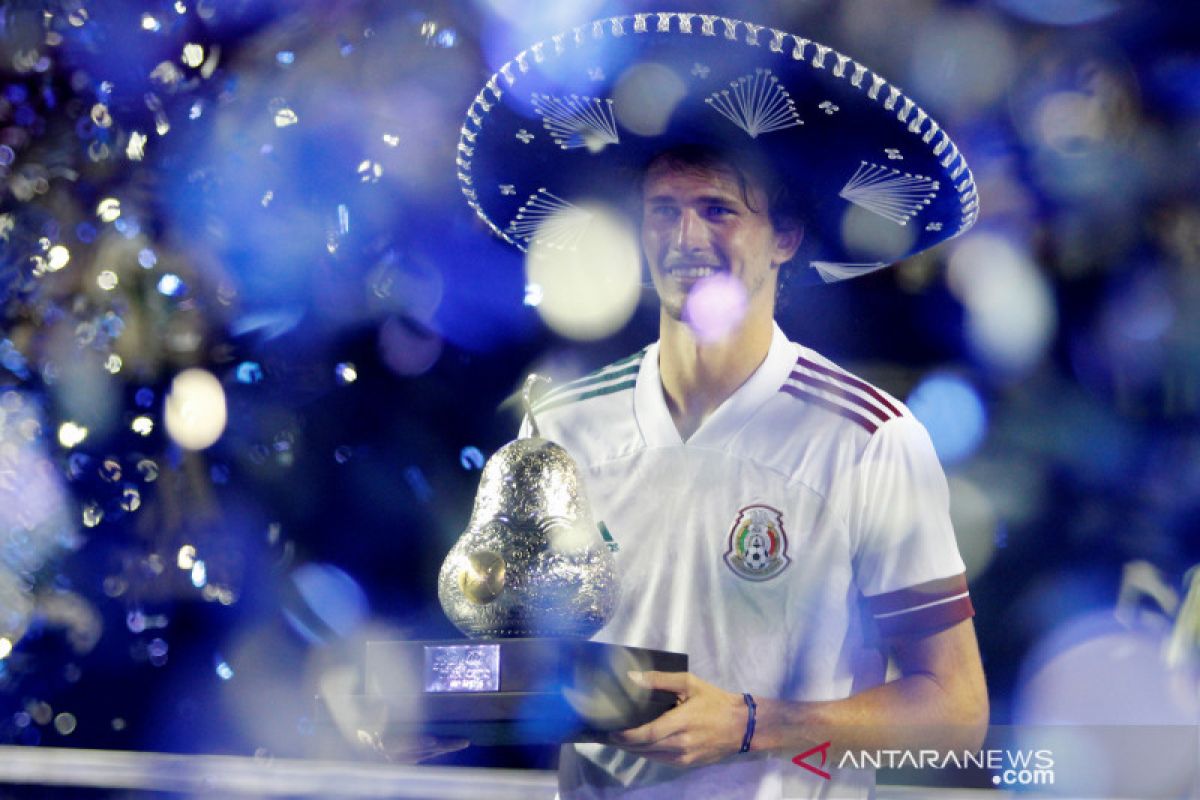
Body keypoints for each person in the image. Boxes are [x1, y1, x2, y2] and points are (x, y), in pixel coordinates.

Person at [459, 11, 987, 798]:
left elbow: (955, 711)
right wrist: (411, 695)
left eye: (718, 210)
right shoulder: (561, 426)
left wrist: (749, 724)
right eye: (663, 211)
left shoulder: (869, 439)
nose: (685, 238)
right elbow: (512, 663)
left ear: (786, 237)